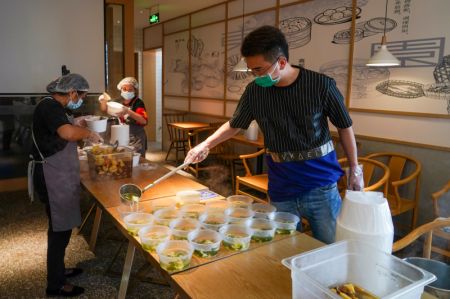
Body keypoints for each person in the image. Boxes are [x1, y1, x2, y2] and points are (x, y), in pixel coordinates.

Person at [185, 26, 363, 244]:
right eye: (252, 70)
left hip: (320, 184)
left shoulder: (320, 85)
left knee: (329, 245)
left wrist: (355, 168)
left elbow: (345, 126)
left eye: (259, 70)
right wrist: (204, 145)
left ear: (280, 62)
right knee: (283, 246)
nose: (255, 76)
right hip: (281, 185)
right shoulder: (255, 91)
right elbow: (235, 124)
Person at [31, 73, 103, 297]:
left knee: (61, 228)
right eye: (80, 95)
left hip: (59, 174)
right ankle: (56, 284)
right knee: (58, 230)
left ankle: (60, 270)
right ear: (72, 92)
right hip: (52, 176)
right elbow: (67, 132)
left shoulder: (54, 107)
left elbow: (65, 126)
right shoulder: (50, 106)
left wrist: (78, 123)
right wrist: (89, 133)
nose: (80, 99)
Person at [98, 77, 148, 156]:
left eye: (130, 89)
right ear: (121, 89)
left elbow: (144, 121)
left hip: (136, 138)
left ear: (135, 90)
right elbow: (104, 109)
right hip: (122, 135)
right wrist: (103, 101)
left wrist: (128, 111)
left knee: (136, 160)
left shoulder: (138, 103)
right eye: (124, 89)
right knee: (123, 158)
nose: (127, 91)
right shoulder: (119, 101)